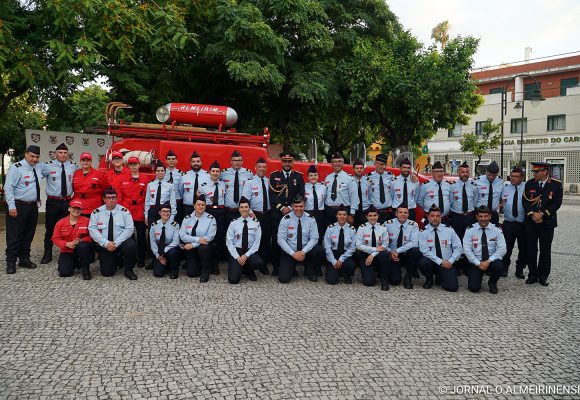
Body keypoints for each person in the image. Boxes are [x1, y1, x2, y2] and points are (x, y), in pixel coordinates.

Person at [522, 161, 563, 286]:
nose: (534, 173)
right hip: (531, 222)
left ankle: (543, 275)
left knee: (545, 250)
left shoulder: (556, 185)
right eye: (534, 171)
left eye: (537, 171)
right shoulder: (530, 183)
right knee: (531, 249)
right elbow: (525, 202)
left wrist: (542, 214)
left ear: (545, 172)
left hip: (547, 222)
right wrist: (533, 214)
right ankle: (532, 274)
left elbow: (557, 203)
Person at [5, 145, 42, 273]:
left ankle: (24, 259)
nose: (34, 159)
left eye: (37, 157)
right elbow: (8, 188)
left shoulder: (38, 168)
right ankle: (11, 262)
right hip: (18, 206)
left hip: (32, 206)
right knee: (14, 235)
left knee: (28, 234)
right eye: (32, 156)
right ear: (26, 154)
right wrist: (11, 206)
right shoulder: (16, 168)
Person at [39, 143, 78, 264]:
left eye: (65, 153)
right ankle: (47, 253)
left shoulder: (73, 166)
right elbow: (35, 177)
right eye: (60, 152)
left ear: (68, 154)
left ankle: (67, 252)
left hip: (67, 202)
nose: (63, 154)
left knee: (68, 228)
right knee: (50, 228)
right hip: (52, 202)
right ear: (55, 154)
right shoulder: (47, 166)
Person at [88, 188, 137, 280]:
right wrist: (106, 243)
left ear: (117, 199)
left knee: (131, 245)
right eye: (108, 197)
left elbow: (130, 229)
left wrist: (116, 243)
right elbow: (92, 229)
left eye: (113, 197)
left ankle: (128, 270)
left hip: (120, 243)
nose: (111, 200)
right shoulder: (96, 213)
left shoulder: (124, 211)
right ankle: (117, 259)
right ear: (104, 199)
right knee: (107, 273)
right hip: (105, 244)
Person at [269, 152, 305, 276]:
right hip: (277, 214)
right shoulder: (274, 176)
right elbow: (272, 195)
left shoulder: (299, 177)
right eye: (285, 161)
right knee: (276, 241)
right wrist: (281, 207)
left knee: (290, 240)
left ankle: (291, 267)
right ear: (281, 162)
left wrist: (290, 207)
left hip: (292, 214)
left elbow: (301, 196)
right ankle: (276, 267)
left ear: (293, 162)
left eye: (290, 161)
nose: (287, 164)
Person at [277, 195, 324, 283]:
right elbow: (281, 239)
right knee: (283, 279)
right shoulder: (285, 219)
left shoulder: (311, 219)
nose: (299, 209)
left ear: (304, 206)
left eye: (301, 206)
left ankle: (310, 269)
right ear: (292, 206)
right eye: (296, 206)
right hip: (291, 252)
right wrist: (293, 253)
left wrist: (303, 252)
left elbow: (314, 238)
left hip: (306, 252)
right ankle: (292, 268)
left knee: (319, 250)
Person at [418, 205, 462, 292]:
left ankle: (440, 277)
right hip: (432, 262)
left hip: (447, 263)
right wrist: (440, 262)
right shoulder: (423, 232)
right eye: (432, 216)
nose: (435, 218)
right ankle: (429, 278)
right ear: (428, 217)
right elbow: (425, 251)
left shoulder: (449, 230)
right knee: (423, 262)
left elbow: (458, 247)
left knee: (452, 287)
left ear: (441, 217)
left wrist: (451, 261)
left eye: (438, 216)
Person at [463, 206, 506, 294]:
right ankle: (479, 274)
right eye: (481, 216)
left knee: (499, 266)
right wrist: (478, 263)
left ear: (490, 216)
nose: (483, 219)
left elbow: (502, 249)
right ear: (476, 217)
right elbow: (466, 249)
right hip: (476, 261)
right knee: (474, 288)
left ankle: (492, 282)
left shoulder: (496, 229)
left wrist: (488, 261)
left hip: (491, 260)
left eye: (485, 216)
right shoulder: (470, 229)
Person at [226, 198, 267, 284]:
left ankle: (249, 270)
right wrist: (238, 257)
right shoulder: (233, 223)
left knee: (259, 263)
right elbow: (229, 242)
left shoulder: (256, 223)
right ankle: (238, 267)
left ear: (249, 208)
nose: (244, 209)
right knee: (233, 280)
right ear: (239, 209)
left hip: (250, 251)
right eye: (242, 207)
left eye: (246, 207)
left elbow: (256, 243)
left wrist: (245, 256)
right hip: (237, 251)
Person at [119, 156, 149, 268]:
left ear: (139, 165)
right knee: (128, 237)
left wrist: (146, 212)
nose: (133, 166)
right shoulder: (123, 178)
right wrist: (122, 211)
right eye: (131, 164)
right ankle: (130, 259)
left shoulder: (145, 179)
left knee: (141, 237)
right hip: (127, 212)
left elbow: (147, 196)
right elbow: (120, 196)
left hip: (140, 211)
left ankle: (141, 259)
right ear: (128, 166)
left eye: (135, 164)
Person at [242, 157, 271, 269]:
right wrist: (250, 212)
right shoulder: (250, 182)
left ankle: (263, 265)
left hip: (267, 214)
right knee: (254, 240)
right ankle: (253, 264)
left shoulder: (269, 181)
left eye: (264, 167)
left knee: (266, 240)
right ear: (255, 168)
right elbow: (245, 199)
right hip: (255, 215)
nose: (262, 169)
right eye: (260, 167)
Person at [51, 200, 92, 280]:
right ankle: (74, 262)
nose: (76, 210)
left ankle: (85, 270)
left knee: (83, 247)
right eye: (74, 208)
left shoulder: (87, 221)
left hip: (82, 249)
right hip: (67, 250)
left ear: (82, 210)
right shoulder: (60, 223)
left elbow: (92, 236)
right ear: (69, 209)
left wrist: (81, 240)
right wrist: (67, 244)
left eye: (79, 209)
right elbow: (55, 238)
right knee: (64, 272)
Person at [449, 161, 477, 276]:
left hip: (469, 217)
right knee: (457, 242)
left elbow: (474, 201)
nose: (465, 174)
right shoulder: (452, 187)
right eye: (463, 172)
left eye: (467, 172)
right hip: (457, 217)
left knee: (469, 242)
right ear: (458, 173)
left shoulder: (474, 187)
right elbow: (450, 202)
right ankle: (457, 266)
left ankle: (467, 266)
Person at [383, 204, 421, 289]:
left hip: (406, 254)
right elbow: (382, 242)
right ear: (396, 214)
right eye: (400, 212)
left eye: (405, 213)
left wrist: (397, 251)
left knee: (415, 251)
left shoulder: (413, 225)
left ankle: (408, 277)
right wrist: (390, 251)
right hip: (392, 255)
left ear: (408, 214)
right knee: (395, 281)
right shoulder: (388, 224)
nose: (403, 214)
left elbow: (414, 242)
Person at [179, 197, 217, 282]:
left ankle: (205, 271)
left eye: (203, 205)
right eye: (198, 205)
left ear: (205, 206)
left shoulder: (211, 219)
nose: (201, 207)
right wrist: (198, 239)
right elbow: (182, 235)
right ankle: (198, 264)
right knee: (191, 273)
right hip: (191, 249)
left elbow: (210, 237)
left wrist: (193, 244)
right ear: (194, 206)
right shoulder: (187, 218)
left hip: (203, 247)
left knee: (204, 248)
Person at [199, 160, 226, 274]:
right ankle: (206, 263)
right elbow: (199, 200)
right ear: (209, 172)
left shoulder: (224, 184)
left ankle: (215, 264)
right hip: (208, 211)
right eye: (213, 171)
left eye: (217, 171)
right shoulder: (203, 185)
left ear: (220, 173)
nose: (215, 173)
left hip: (220, 211)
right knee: (207, 237)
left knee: (218, 238)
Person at [355, 206, 390, 290]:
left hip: (378, 255)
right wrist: (374, 249)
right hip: (365, 255)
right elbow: (358, 245)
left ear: (378, 216)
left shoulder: (383, 228)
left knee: (385, 254)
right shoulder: (362, 228)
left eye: (374, 215)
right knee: (368, 282)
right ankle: (373, 272)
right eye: (370, 216)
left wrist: (373, 254)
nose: (372, 218)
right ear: (366, 217)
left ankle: (384, 280)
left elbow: (385, 245)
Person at [501, 166, 527, 279]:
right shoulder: (505, 188)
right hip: (509, 223)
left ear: (522, 177)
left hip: (523, 224)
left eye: (516, 177)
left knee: (523, 248)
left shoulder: (527, 187)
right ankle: (504, 268)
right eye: (512, 176)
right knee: (506, 247)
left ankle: (519, 269)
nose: (513, 178)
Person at [323, 206, 357, 285]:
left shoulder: (352, 229)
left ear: (347, 216)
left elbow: (352, 247)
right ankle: (333, 271)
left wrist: (341, 259)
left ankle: (346, 275)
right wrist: (334, 261)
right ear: (336, 216)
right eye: (340, 214)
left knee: (351, 265)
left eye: (344, 214)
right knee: (331, 281)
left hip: (346, 254)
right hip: (333, 254)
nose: (342, 216)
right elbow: (327, 246)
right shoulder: (330, 228)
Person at [221, 150, 253, 226]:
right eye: (234, 160)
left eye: (239, 160)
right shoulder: (224, 173)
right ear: (231, 162)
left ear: (242, 162)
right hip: (228, 211)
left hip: (242, 211)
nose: (237, 162)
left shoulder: (249, 173)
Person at [149, 203, 181, 279]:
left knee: (173, 252)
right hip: (159, 249)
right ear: (159, 212)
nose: (166, 213)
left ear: (170, 213)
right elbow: (152, 242)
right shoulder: (154, 225)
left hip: (170, 248)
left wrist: (163, 252)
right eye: (163, 211)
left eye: (168, 211)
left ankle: (174, 270)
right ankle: (165, 265)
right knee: (158, 273)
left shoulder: (175, 225)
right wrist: (158, 255)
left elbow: (176, 242)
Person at [71, 152, 107, 218]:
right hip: (78, 205)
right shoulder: (75, 173)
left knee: (93, 227)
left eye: (88, 160)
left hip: (93, 205)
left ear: (91, 161)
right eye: (83, 160)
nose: (85, 162)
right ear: (80, 161)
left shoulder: (98, 174)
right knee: (79, 226)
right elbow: (73, 189)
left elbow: (104, 189)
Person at [323, 152, 352, 225]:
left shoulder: (349, 179)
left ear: (343, 163)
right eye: (335, 162)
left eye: (339, 161)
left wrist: (351, 214)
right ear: (331, 164)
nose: (337, 164)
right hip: (329, 211)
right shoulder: (327, 178)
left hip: (343, 212)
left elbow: (354, 198)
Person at [144, 161, 176, 226]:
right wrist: (146, 215)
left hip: (164, 211)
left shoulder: (170, 185)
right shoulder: (150, 184)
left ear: (165, 172)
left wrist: (172, 217)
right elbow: (147, 201)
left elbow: (173, 203)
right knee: (152, 232)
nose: (160, 173)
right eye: (158, 171)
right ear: (155, 172)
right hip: (152, 212)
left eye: (162, 171)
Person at [180, 151, 210, 217]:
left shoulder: (208, 176)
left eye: (198, 161)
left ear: (201, 162)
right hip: (188, 208)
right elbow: (181, 192)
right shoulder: (184, 176)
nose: (196, 163)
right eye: (193, 162)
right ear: (190, 163)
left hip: (203, 208)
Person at [303, 164, 327, 243]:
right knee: (307, 237)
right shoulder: (303, 188)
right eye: (311, 175)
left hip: (320, 216)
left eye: (315, 175)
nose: (313, 177)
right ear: (308, 177)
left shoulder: (323, 187)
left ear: (318, 176)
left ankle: (318, 253)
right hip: (308, 216)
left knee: (319, 236)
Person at [368, 153, 393, 223]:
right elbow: (367, 194)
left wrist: (412, 175)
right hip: (375, 213)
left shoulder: (390, 176)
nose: (384, 167)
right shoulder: (369, 177)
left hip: (388, 213)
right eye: (381, 164)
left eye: (385, 164)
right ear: (375, 164)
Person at [349, 160, 372, 227]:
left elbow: (370, 195)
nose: (359, 170)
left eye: (361, 168)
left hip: (365, 211)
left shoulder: (368, 181)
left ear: (363, 169)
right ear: (353, 169)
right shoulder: (349, 180)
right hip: (353, 212)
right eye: (357, 168)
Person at [164, 149, 184, 224]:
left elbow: (182, 189)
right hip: (165, 203)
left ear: (176, 161)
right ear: (166, 161)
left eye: (173, 159)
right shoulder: (162, 173)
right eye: (169, 159)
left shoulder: (181, 174)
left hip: (178, 202)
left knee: (177, 223)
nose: (171, 161)